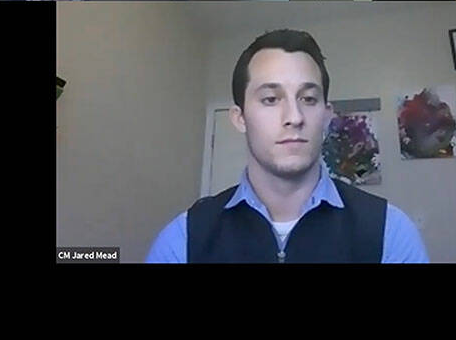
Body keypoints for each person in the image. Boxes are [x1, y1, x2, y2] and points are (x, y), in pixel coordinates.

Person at [147, 29, 428, 263]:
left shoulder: (389, 231)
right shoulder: (184, 238)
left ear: (327, 115)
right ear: (240, 118)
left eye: (308, 99)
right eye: (270, 99)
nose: (294, 117)